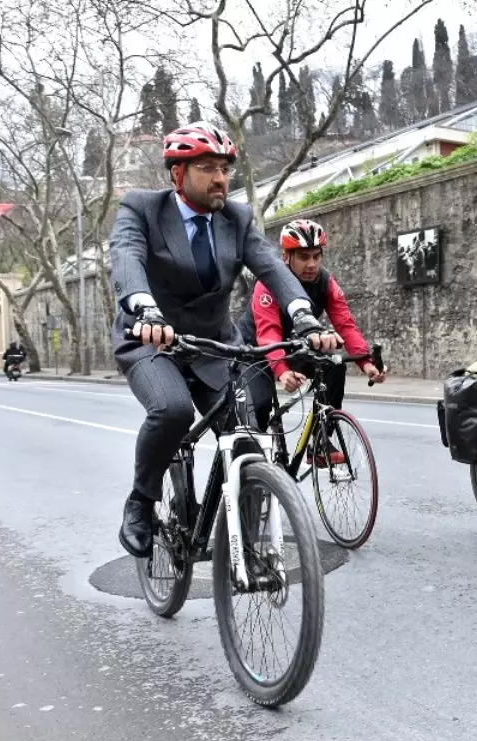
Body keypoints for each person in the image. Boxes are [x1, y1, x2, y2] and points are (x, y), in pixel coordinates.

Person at [108, 121, 341, 559]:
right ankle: (141, 502)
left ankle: (249, 548)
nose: (220, 178)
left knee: (248, 439)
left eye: (224, 168)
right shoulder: (142, 208)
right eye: (206, 168)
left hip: (213, 344)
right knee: (173, 411)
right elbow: (126, 256)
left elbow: (271, 268)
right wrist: (143, 307)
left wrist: (306, 318)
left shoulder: (237, 217)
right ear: (178, 174)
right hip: (151, 339)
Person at [235, 219, 385, 462]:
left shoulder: (326, 283)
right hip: (255, 350)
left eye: (316, 256)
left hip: (293, 345)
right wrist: (282, 372)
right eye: (304, 257)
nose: (312, 264)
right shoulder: (268, 282)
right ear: (286, 256)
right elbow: (268, 333)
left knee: (333, 363)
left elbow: (345, 325)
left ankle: (321, 440)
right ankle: (253, 469)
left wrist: (367, 363)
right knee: (260, 408)